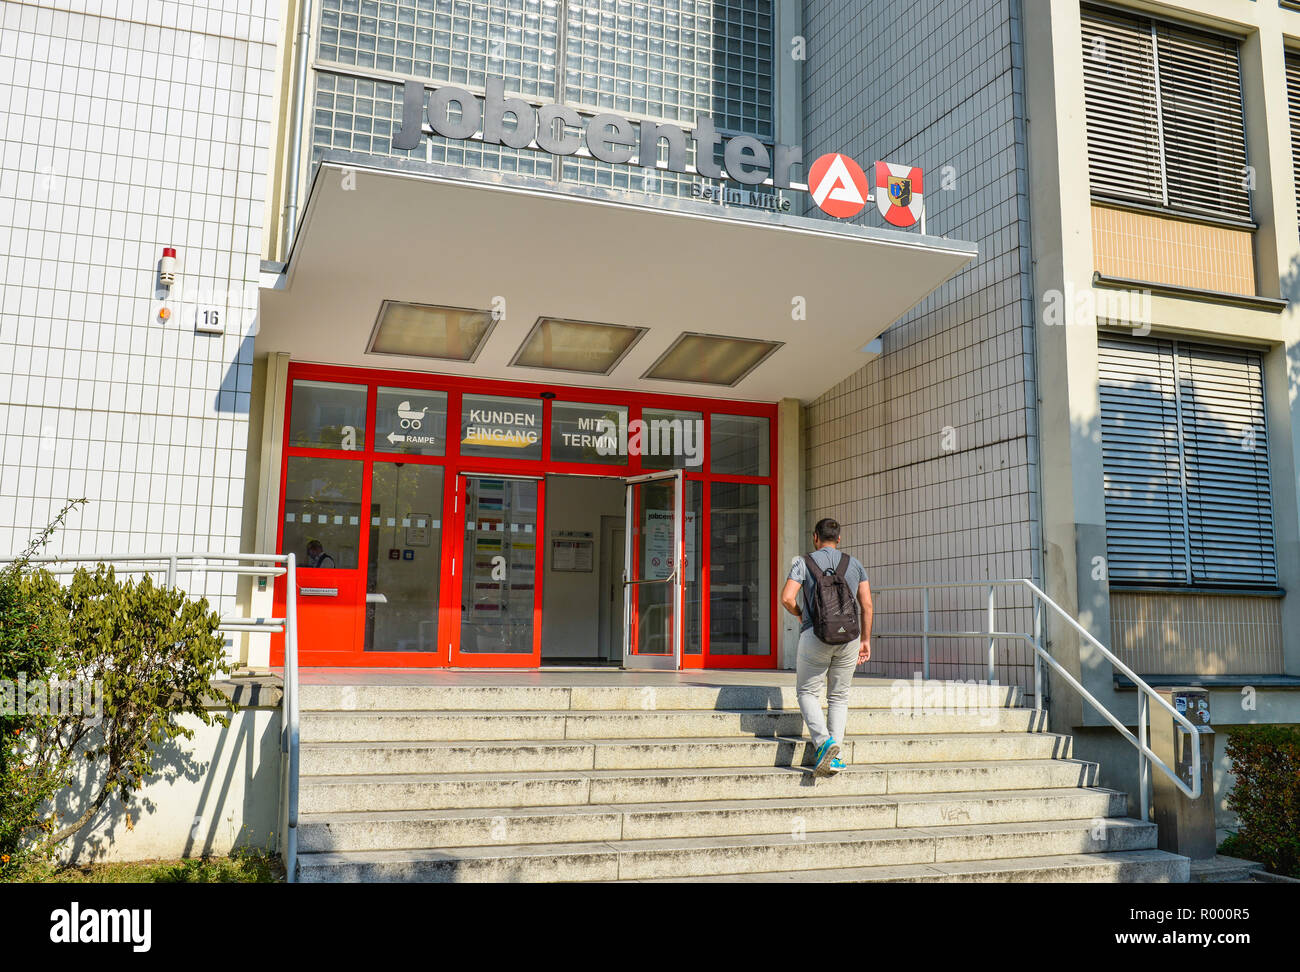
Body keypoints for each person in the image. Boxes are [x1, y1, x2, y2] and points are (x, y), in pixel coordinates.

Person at [780, 517, 872, 776]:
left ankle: (824, 743)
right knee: (839, 697)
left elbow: (787, 598)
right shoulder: (854, 564)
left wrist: (800, 614)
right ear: (839, 539)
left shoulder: (803, 562)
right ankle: (836, 757)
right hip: (850, 638)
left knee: (808, 692)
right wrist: (865, 640)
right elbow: (866, 605)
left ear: (815, 537)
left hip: (816, 634)